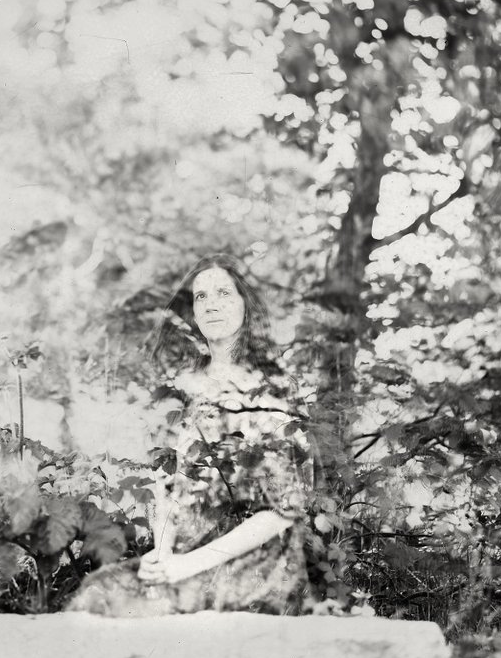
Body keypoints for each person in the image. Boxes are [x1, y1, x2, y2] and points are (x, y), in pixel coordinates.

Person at [64, 253, 316, 616]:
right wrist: (160, 556)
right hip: (183, 556)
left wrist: (187, 567)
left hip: (256, 565)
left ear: (247, 304)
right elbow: (167, 481)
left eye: (224, 293)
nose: (212, 304)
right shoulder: (184, 385)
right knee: (96, 593)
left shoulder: (275, 388)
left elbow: (284, 510)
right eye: (201, 296)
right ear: (193, 312)